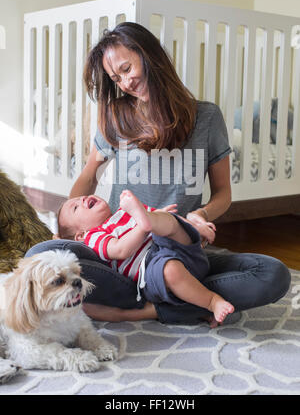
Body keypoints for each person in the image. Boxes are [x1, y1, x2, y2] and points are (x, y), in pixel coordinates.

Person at [28, 21, 290, 328]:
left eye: (126, 69)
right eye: (116, 78)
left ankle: (156, 302)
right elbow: (89, 173)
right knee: (42, 252)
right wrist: (67, 222)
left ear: (150, 56)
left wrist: (200, 215)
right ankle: (185, 300)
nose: (124, 83)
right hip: (122, 259)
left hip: (179, 250)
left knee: (273, 274)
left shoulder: (206, 118)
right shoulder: (116, 118)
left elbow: (223, 194)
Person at [58, 189, 234, 325]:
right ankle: (211, 301)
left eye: (82, 197)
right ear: (80, 235)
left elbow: (167, 221)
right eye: (75, 207)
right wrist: (144, 226)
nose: (82, 199)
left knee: (168, 219)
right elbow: (120, 250)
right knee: (170, 269)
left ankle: (190, 229)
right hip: (151, 267)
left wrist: (195, 228)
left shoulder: (125, 210)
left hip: (181, 250)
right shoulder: (94, 236)